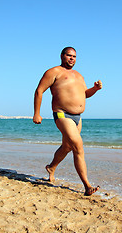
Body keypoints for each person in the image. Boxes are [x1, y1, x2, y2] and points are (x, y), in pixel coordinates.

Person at [33, 47, 102, 196]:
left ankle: (51, 167)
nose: (72, 58)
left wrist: (94, 89)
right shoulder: (53, 72)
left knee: (67, 146)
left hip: (78, 117)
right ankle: (87, 186)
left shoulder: (78, 75)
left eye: (74, 56)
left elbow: (85, 94)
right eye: (69, 55)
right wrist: (36, 114)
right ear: (62, 56)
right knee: (78, 146)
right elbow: (39, 91)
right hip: (62, 114)